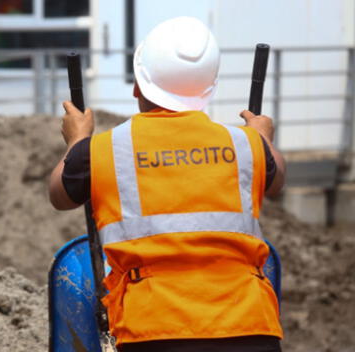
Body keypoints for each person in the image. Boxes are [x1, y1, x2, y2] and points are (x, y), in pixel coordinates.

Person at [49, 17, 286, 352]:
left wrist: (76, 140)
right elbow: (276, 181)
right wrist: (263, 137)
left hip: (153, 331)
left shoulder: (103, 150)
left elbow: (60, 194)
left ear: (137, 85)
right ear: (207, 91)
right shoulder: (246, 145)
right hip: (249, 326)